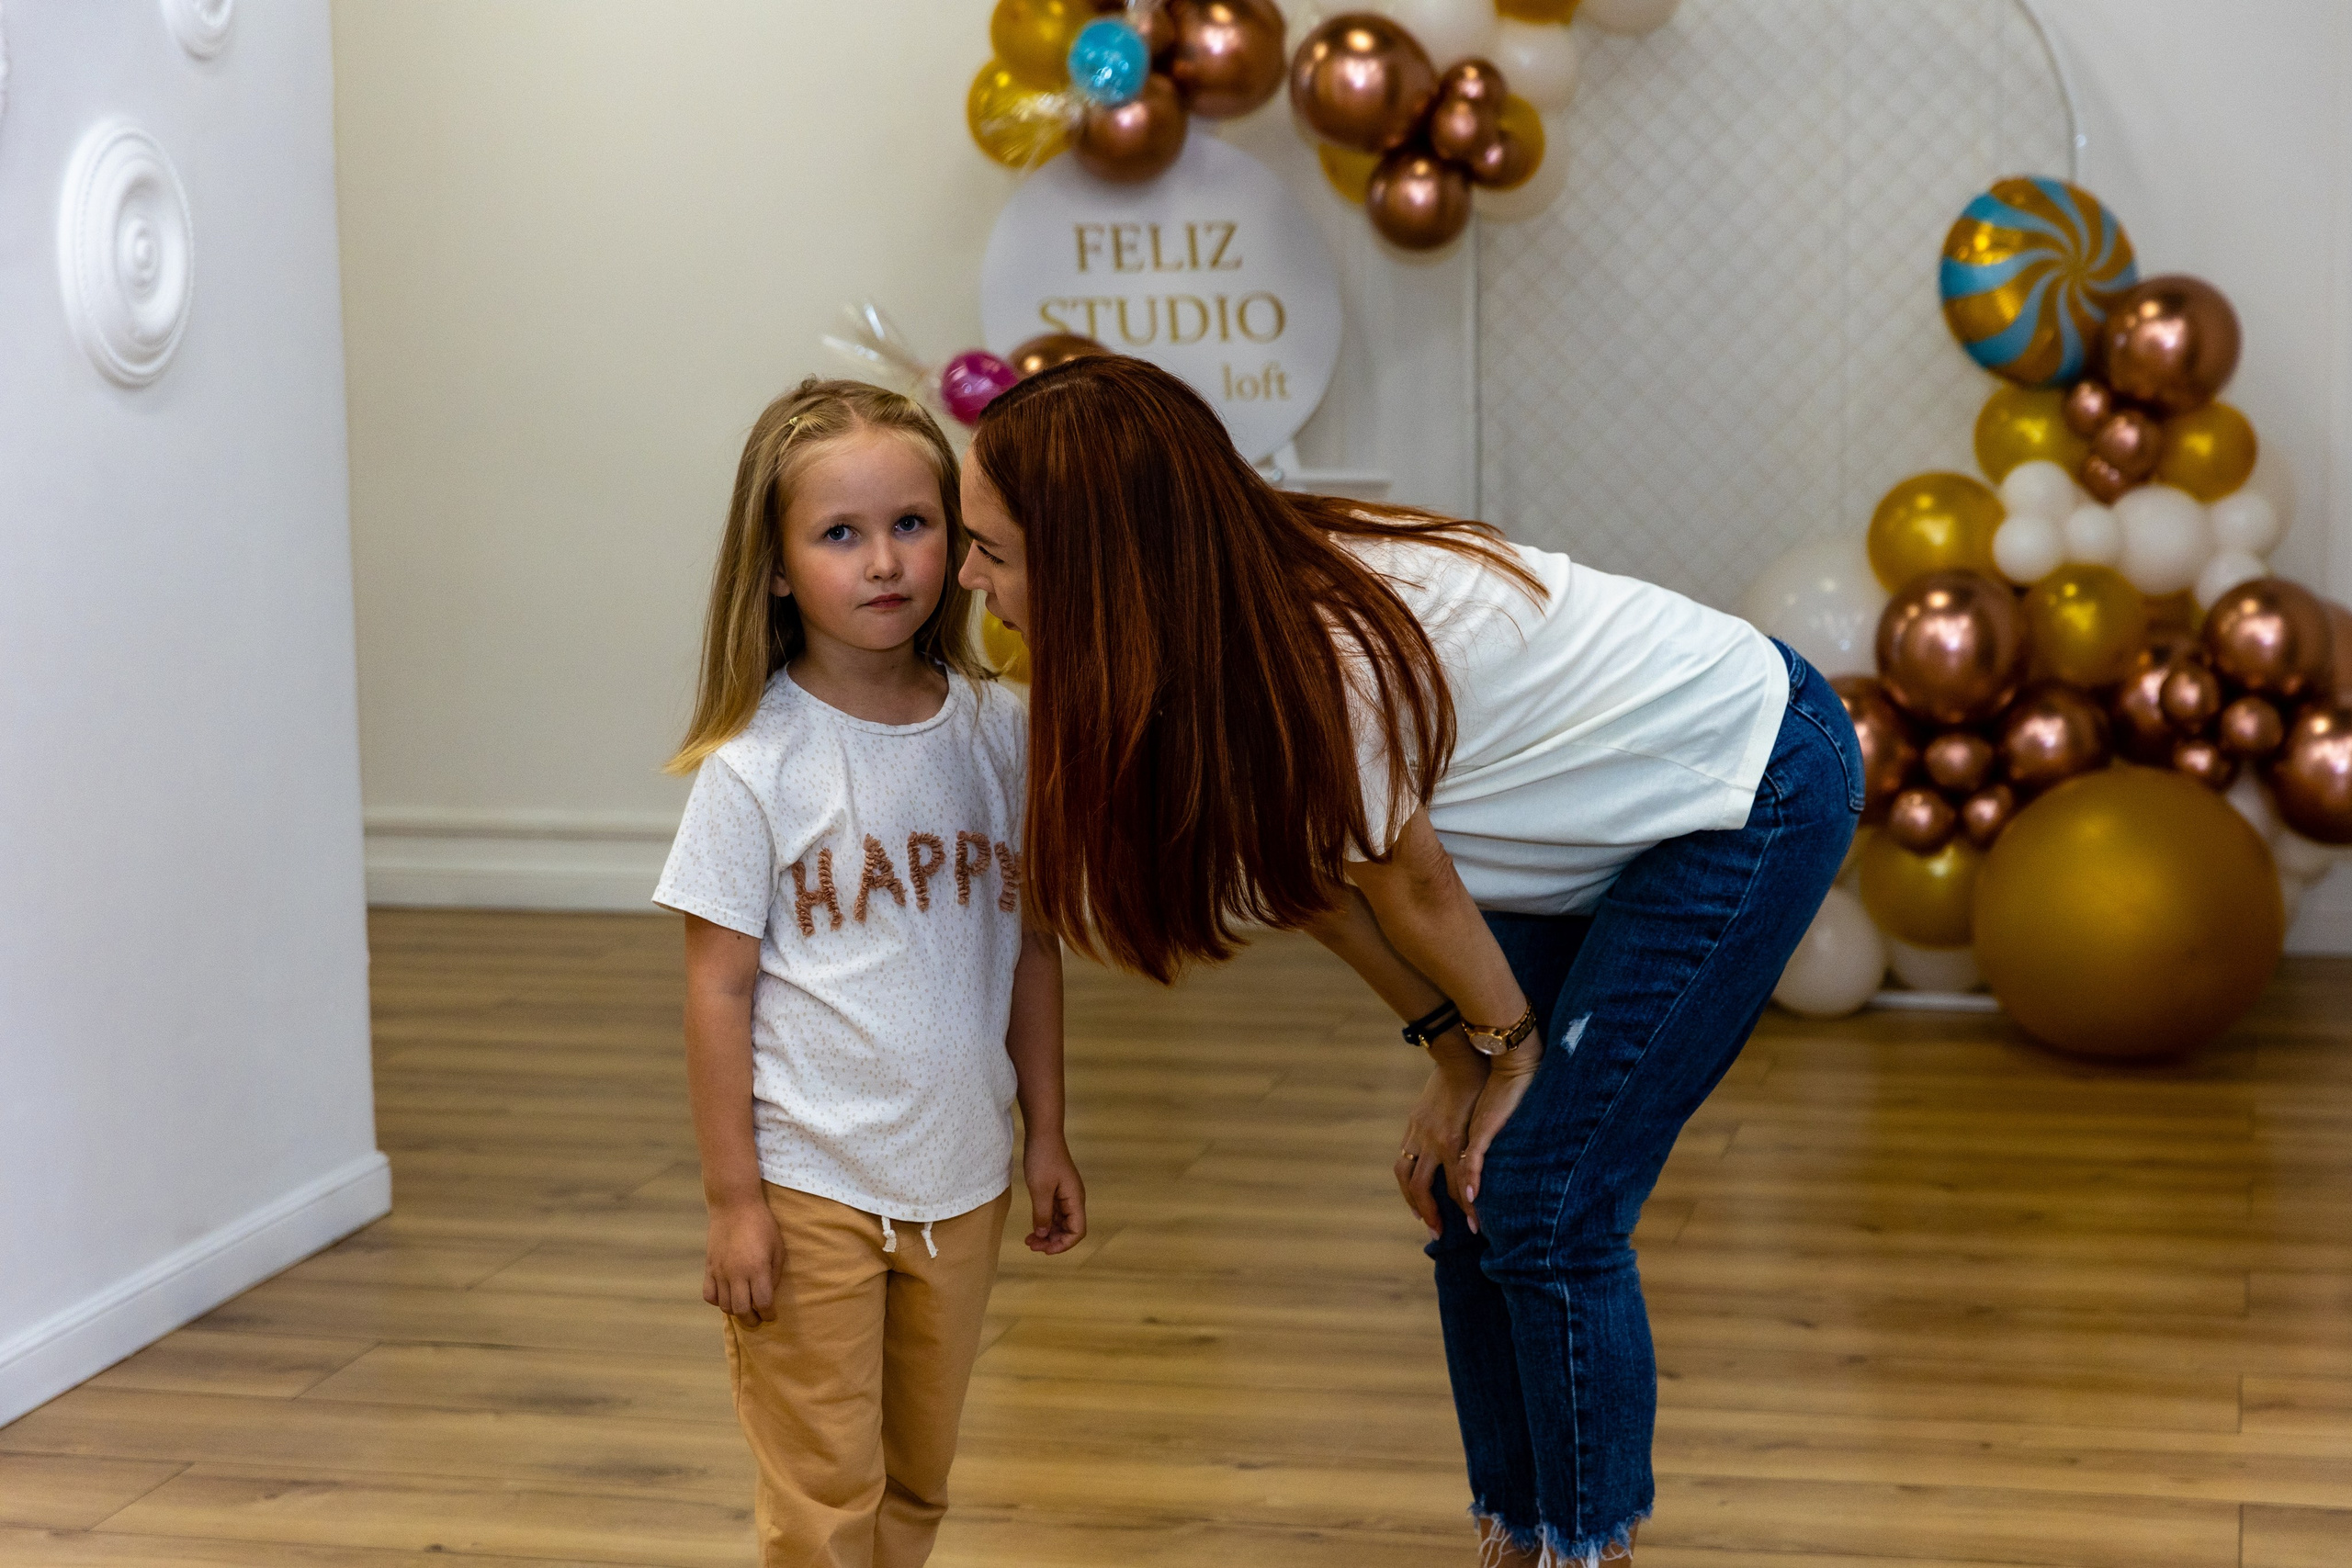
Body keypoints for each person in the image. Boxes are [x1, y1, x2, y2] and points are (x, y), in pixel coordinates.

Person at [957, 356, 1860, 1566]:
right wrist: (1456, 1065)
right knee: (1459, 1182)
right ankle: (1519, 1526)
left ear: (1095, 557)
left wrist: (1513, 1056)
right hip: (1587, 825)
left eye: (989, 548)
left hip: (1746, 783)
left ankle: (1587, 1549)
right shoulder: (1190, 636)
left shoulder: (1307, 648)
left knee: (1545, 1198)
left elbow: (1414, 886)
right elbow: (1321, 893)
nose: (967, 576)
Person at [654, 378, 1086, 1568]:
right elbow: (717, 991)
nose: (885, 560)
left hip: (962, 1181)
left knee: (917, 1485)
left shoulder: (1005, 731)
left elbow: (1033, 947)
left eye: (912, 522)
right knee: (824, 1496)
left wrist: (1045, 1132)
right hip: (809, 1187)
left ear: (959, 538)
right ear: (781, 567)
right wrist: (735, 1202)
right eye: (840, 534)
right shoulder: (754, 766)